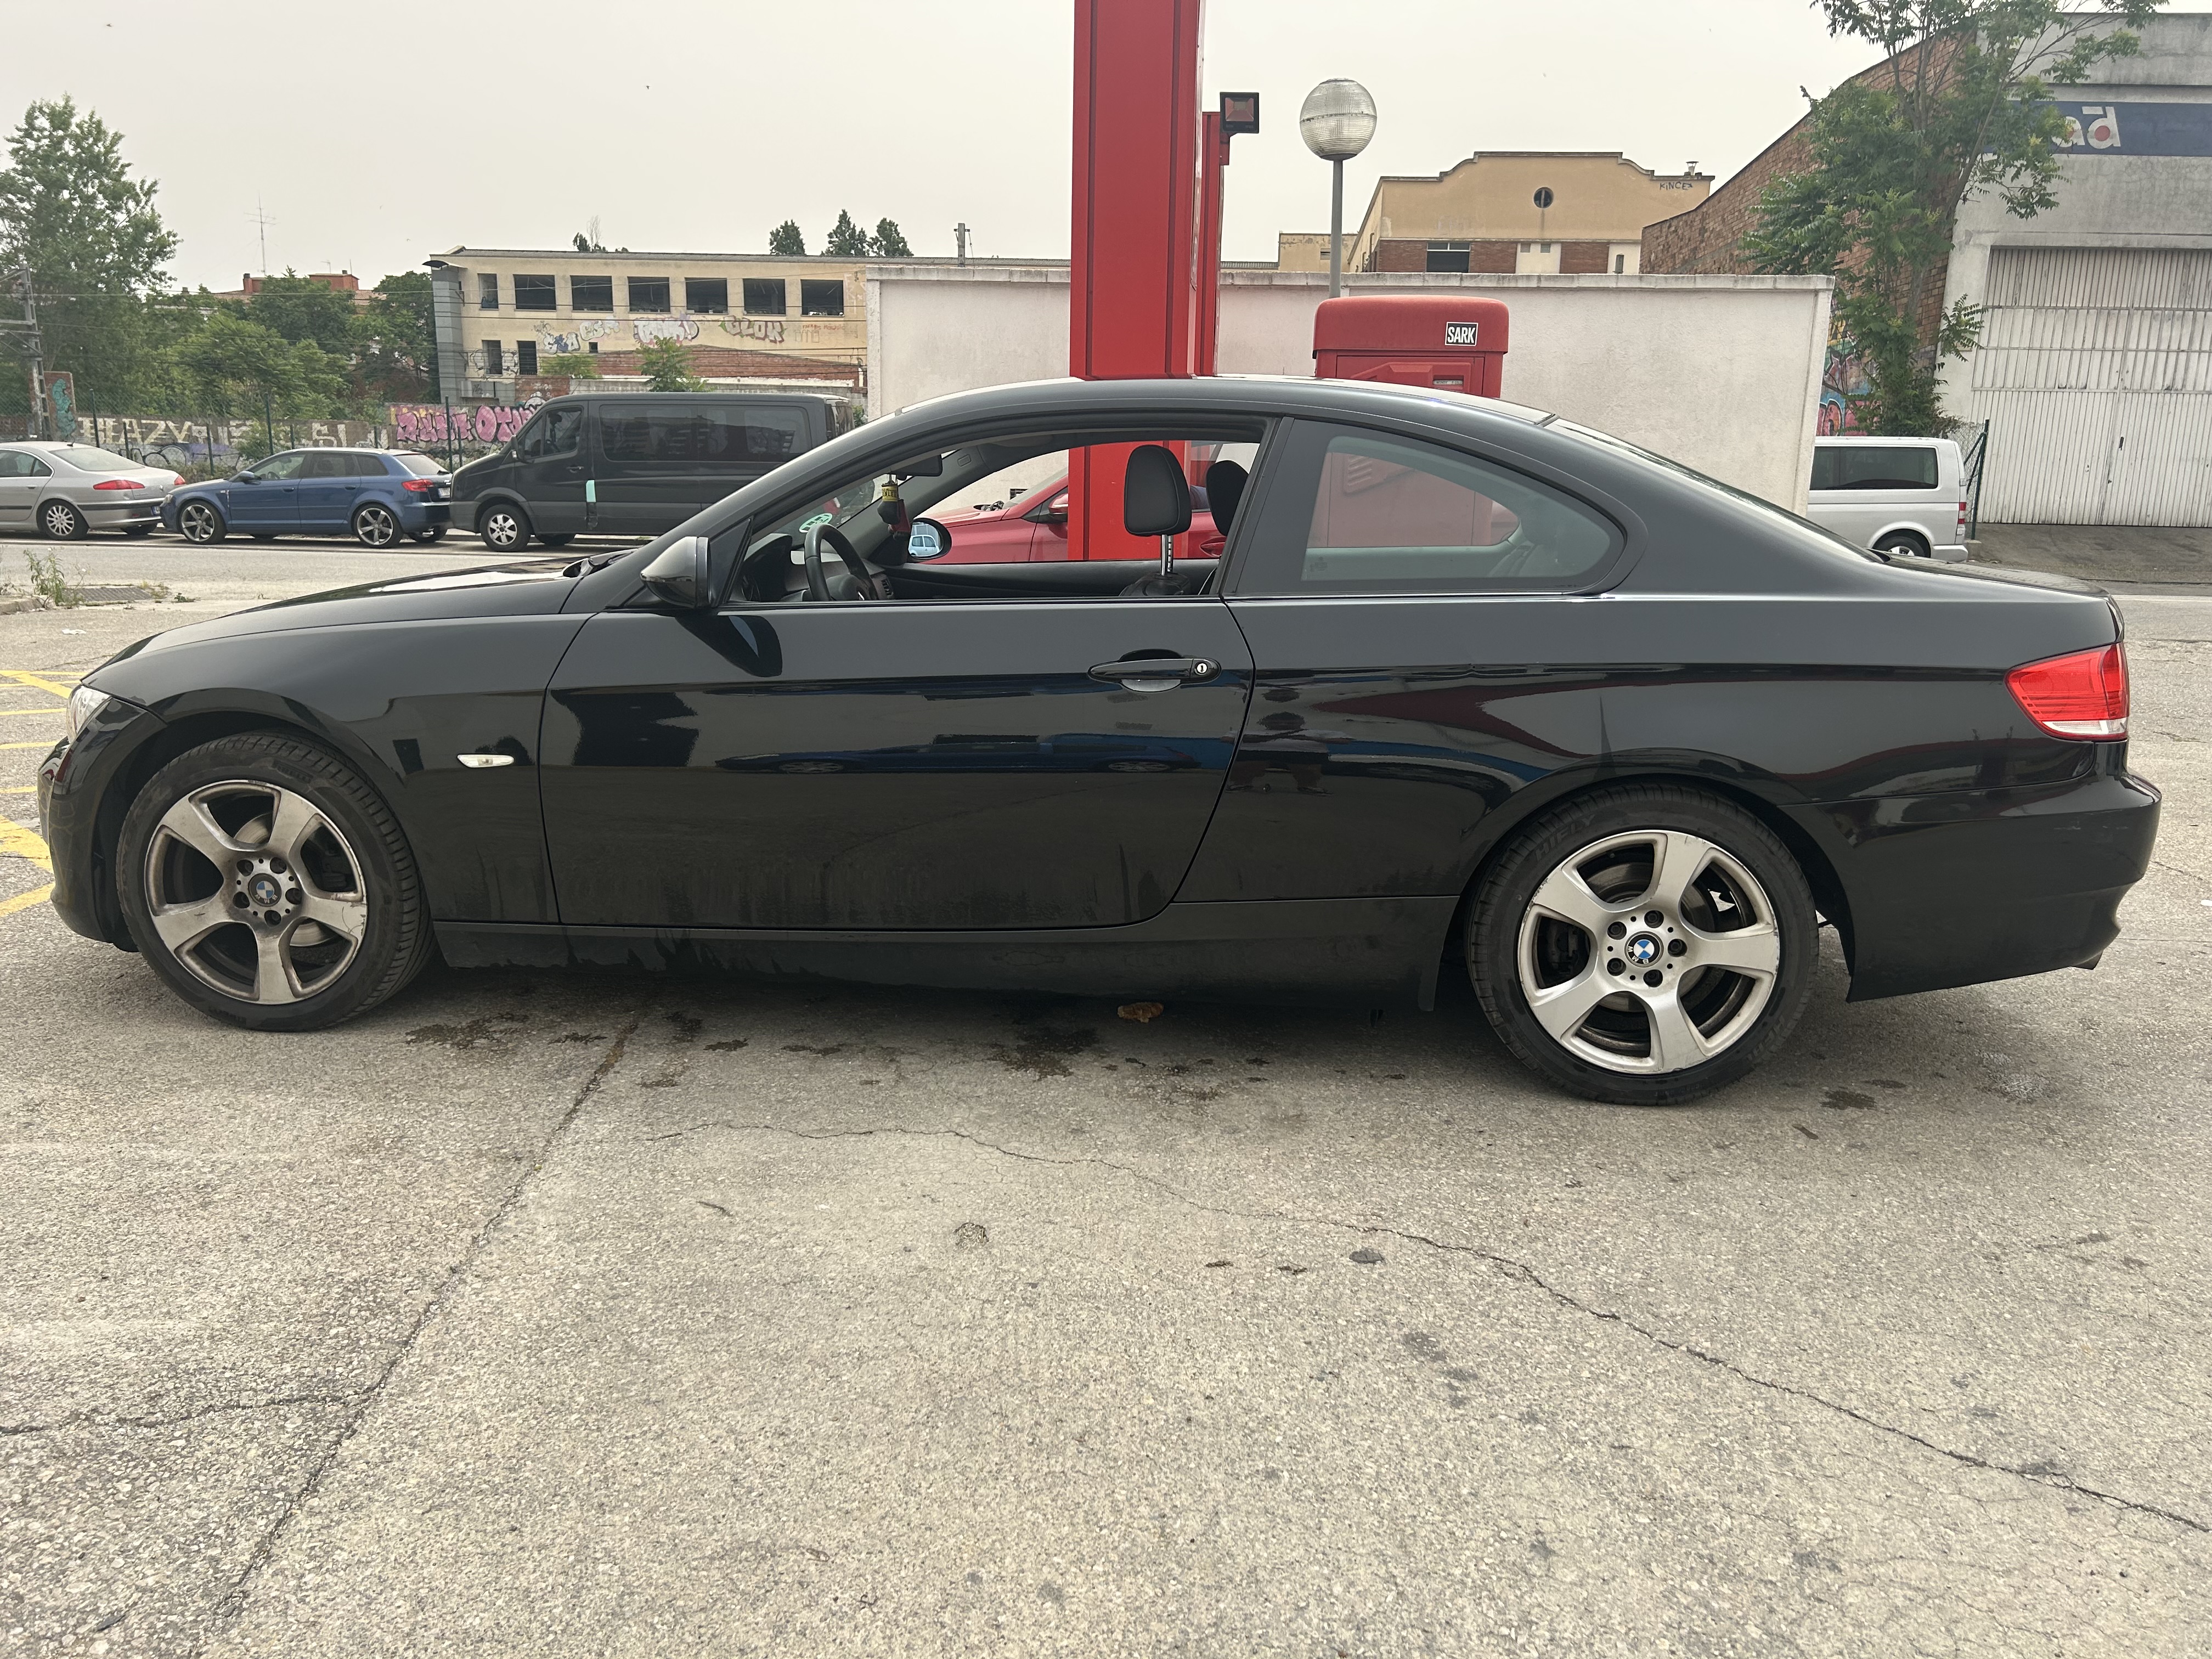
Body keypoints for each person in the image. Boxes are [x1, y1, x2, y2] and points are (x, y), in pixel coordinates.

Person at [1226, 711, 1350, 795]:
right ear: (1265, 723)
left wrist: (1310, 739)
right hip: (1256, 755)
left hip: (1305, 756)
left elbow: (1344, 741)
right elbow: (1226, 739)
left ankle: (1309, 786)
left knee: (1308, 770)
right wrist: (1260, 739)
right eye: (1276, 722)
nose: (1283, 724)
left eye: (1289, 722)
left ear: (1301, 722)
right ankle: (1241, 784)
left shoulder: (1316, 732)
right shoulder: (1250, 732)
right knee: (1245, 766)